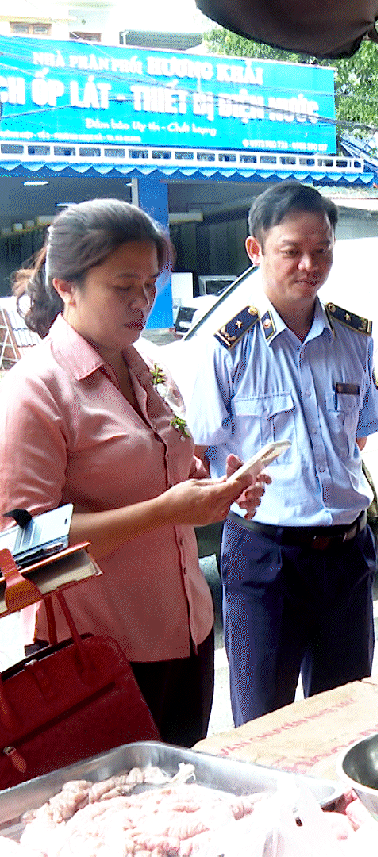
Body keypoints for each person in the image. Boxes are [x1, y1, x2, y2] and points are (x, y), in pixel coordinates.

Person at [0, 199, 263, 746]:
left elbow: (168, 473)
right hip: (101, 655)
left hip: (187, 637)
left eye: (151, 284)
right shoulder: (37, 391)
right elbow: (22, 545)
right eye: (125, 286)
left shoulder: (150, 367)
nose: (143, 302)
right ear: (66, 285)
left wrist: (218, 489)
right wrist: (163, 512)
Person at [187, 182, 378, 727]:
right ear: (255, 251)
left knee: (347, 720)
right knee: (263, 727)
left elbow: (360, 434)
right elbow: (200, 454)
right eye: (292, 251)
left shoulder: (355, 338)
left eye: (322, 249)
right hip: (265, 560)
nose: (310, 264)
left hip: (347, 557)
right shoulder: (225, 348)